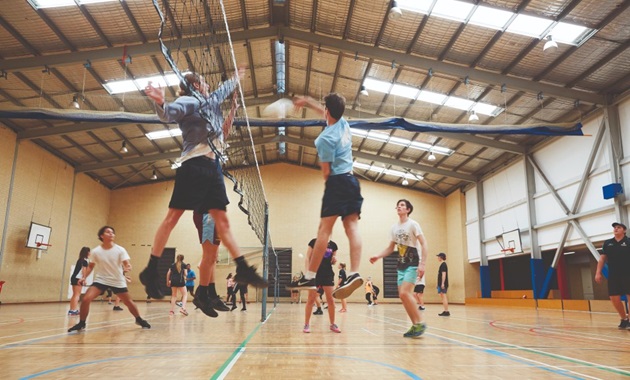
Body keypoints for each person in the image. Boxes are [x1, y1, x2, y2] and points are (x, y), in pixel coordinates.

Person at [142, 70, 267, 318]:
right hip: (194, 164)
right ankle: (151, 268)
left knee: (224, 221)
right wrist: (159, 101)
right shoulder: (190, 100)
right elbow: (169, 113)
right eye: (204, 82)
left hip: (213, 168)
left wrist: (232, 107)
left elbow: (222, 132)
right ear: (196, 85)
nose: (209, 85)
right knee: (172, 218)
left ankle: (241, 268)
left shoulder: (210, 109)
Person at [289, 93, 363, 300]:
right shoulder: (344, 124)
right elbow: (326, 113)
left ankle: (310, 275)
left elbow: (326, 172)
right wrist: (307, 102)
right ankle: (354, 272)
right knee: (352, 228)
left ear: (328, 111)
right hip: (352, 181)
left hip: (337, 181)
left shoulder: (324, 139)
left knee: (324, 230)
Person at [68, 226, 150, 332]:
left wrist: (128, 267)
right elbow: (91, 266)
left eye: (112, 232)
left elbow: (127, 264)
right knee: (86, 299)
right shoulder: (96, 251)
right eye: (108, 232)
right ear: (101, 236)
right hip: (101, 280)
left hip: (117, 280)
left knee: (128, 302)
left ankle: (139, 319)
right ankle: (82, 323)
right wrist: (83, 278)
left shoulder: (120, 250)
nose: (111, 234)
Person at [370, 199, 428, 338]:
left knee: (405, 293)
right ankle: (415, 325)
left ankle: (420, 322)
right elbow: (390, 248)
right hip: (401, 264)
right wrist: (378, 256)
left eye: (402, 205)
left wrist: (423, 263)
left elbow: (424, 243)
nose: (399, 207)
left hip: (413, 263)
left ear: (408, 209)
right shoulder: (394, 228)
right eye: (398, 205)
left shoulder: (413, 224)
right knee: (403, 296)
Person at [596, 222, 630, 329]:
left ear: (624, 230)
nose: (616, 229)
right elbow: (602, 258)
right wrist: (598, 272)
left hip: (628, 273)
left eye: (618, 227)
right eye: (614, 227)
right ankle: (624, 319)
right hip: (614, 275)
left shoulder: (628, 241)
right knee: (614, 298)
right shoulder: (607, 243)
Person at [303, 238, 340, 333]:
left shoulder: (333, 245)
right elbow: (307, 257)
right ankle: (306, 324)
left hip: (327, 274)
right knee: (311, 299)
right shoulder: (313, 242)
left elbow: (333, 261)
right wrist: (307, 273)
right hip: (314, 273)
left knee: (331, 300)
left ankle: (332, 324)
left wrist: (334, 260)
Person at [69, 247, 90, 316]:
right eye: (89, 252)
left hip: (73, 278)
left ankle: (71, 310)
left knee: (74, 294)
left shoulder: (80, 260)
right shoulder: (85, 261)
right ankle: (74, 310)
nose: (90, 253)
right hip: (78, 279)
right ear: (87, 253)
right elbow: (84, 270)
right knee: (77, 295)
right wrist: (84, 279)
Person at [437, 252, 450, 316]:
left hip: (443, 284)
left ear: (441, 257)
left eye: (438, 256)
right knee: (442, 296)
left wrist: (442, 283)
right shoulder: (442, 264)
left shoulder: (443, 265)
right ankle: (445, 310)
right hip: (440, 283)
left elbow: (443, 274)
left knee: (444, 296)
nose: (437, 258)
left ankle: (446, 311)